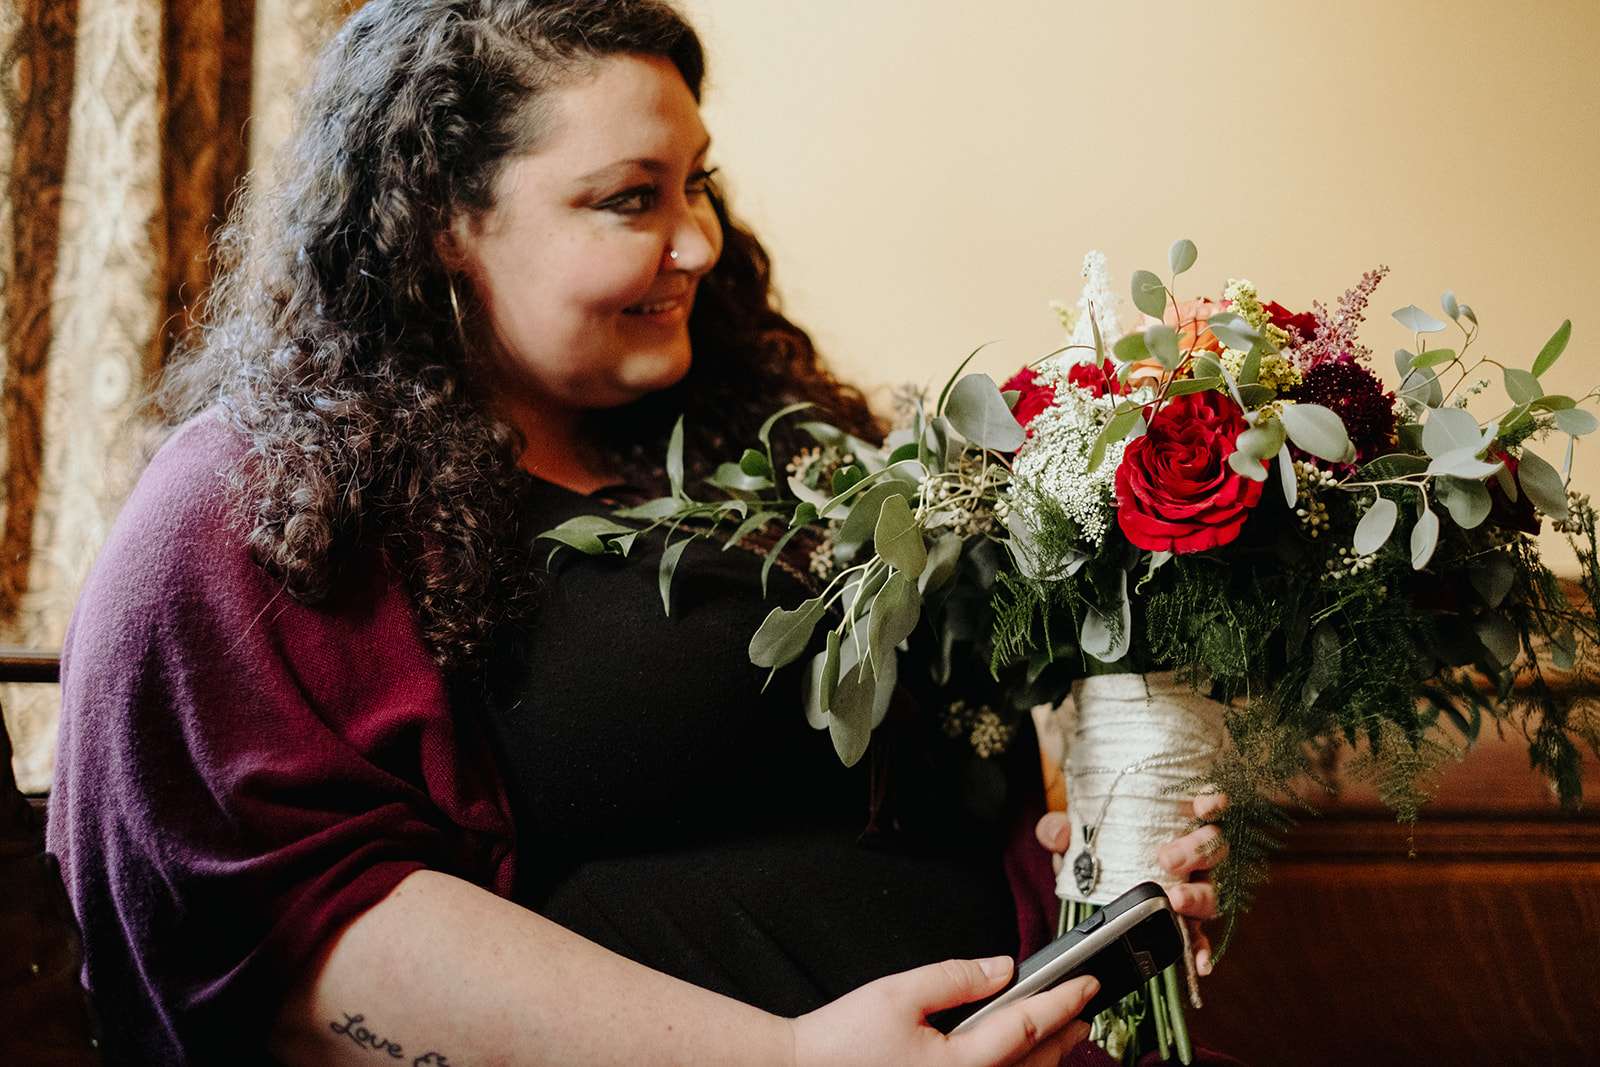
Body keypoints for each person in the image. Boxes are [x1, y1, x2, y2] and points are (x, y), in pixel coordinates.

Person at [45, 2, 1227, 1064]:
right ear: (443, 220)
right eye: (629, 199)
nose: (699, 241)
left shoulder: (767, 430)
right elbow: (276, 934)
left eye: (695, 183)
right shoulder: (254, 508)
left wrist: (1084, 879)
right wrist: (786, 1058)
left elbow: (941, 779)